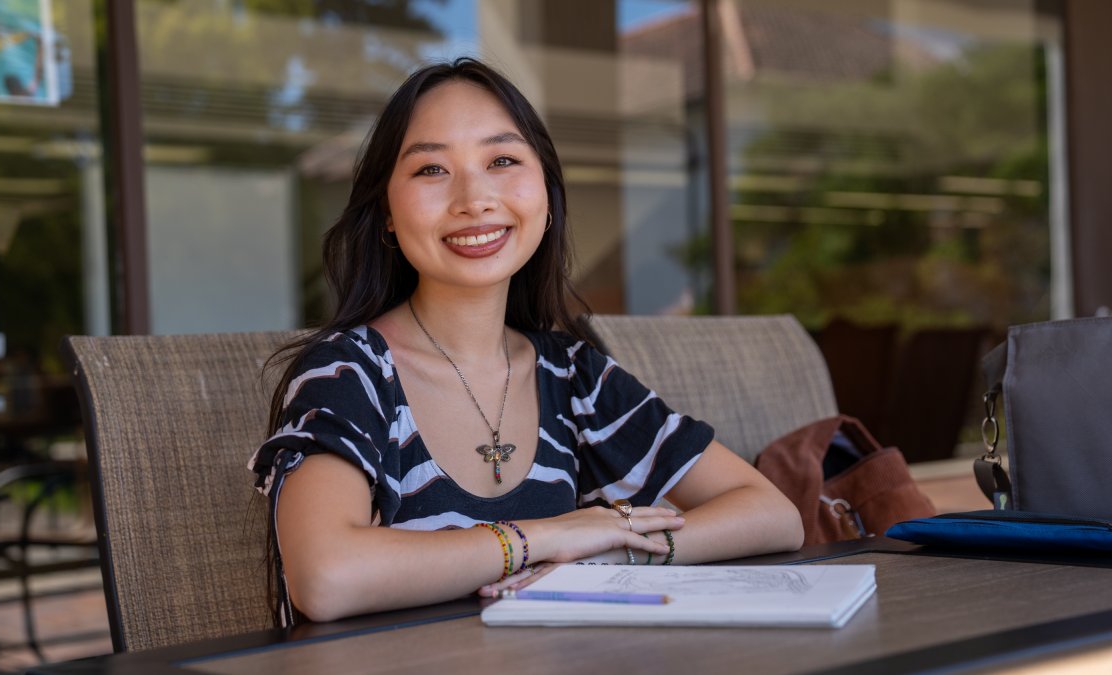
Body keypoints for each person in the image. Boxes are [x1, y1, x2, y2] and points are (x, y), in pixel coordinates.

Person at [248, 57, 803, 625]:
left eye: (503, 160)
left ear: (545, 192)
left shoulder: (572, 376)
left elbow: (772, 514)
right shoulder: (349, 374)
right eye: (431, 170)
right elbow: (325, 576)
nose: (474, 198)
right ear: (387, 212)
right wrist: (546, 537)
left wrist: (614, 550)